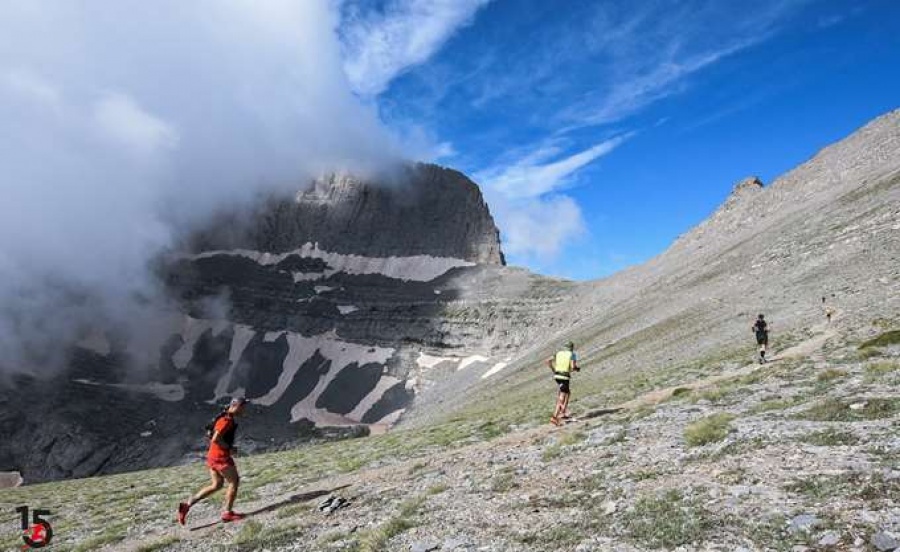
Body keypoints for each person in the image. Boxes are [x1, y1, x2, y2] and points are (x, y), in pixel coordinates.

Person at [177, 397, 249, 525]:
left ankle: (187, 505)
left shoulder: (223, 417)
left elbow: (210, 435)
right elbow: (216, 438)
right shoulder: (226, 421)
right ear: (236, 406)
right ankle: (227, 513)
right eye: (243, 407)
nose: (244, 410)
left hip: (212, 456)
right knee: (234, 481)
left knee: (217, 485)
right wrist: (229, 448)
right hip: (221, 457)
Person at [547, 341, 579, 426]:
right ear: (571, 348)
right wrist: (576, 369)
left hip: (557, 376)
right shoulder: (572, 354)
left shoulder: (558, 353)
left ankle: (561, 413)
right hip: (564, 377)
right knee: (562, 395)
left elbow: (548, 361)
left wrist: (553, 369)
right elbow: (573, 367)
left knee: (567, 393)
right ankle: (557, 415)